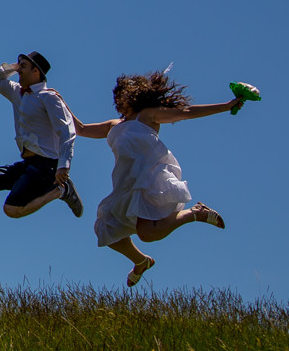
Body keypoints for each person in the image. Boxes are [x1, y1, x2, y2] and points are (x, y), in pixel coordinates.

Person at [69, 70, 245, 286]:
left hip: (149, 179)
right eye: (116, 99)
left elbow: (187, 112)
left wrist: (226, 106)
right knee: (106, 231)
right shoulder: (114, 125)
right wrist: (59, 101)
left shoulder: (148, 116)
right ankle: (141, 261)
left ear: (133, 94)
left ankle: (194, 214)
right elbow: (81, 129)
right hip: (125, 184)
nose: (117, 102)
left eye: (121, 96)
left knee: (147, 234)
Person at [0, 51, 82, 258]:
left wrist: (64, 164)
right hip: (28, 163)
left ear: (36, 71)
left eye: (24, 66)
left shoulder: (49, 97)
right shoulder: (17, 92)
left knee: (11, 209)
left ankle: (61, 191)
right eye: (19, 66)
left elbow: (67, 132)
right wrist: (14, 66)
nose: (19, 70)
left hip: (47, 165)